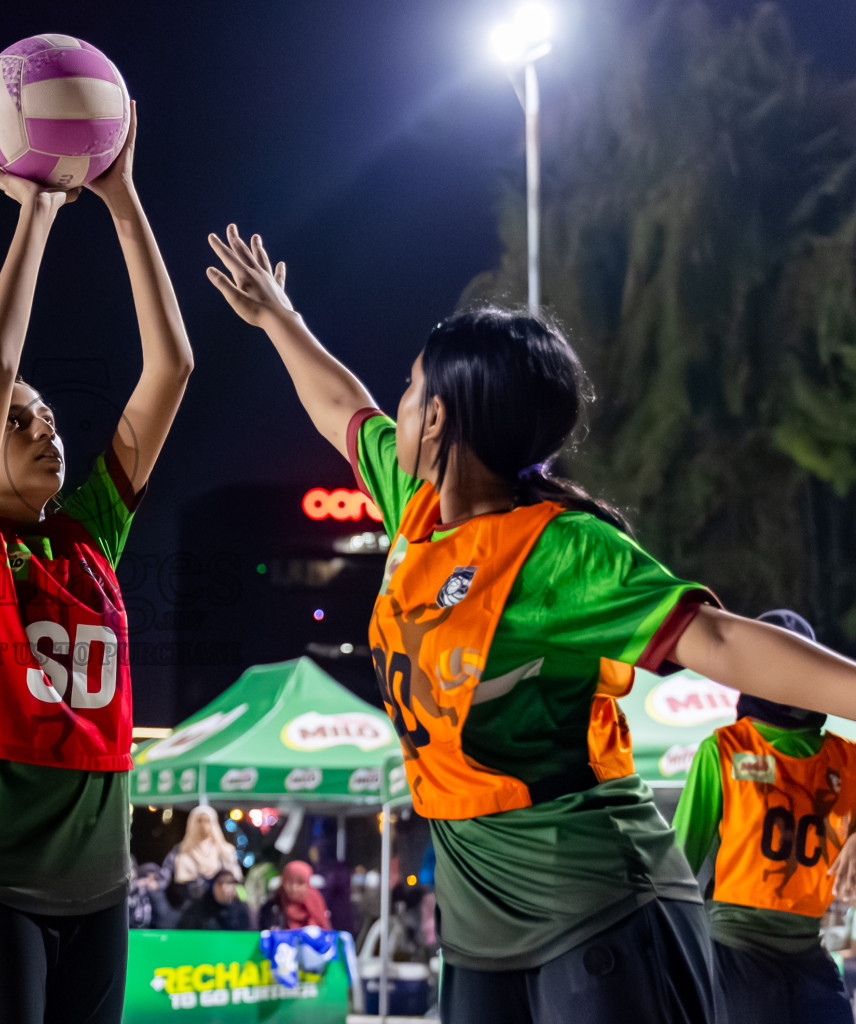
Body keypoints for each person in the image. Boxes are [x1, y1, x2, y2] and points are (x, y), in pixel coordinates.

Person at [206, 235, 856, 1022]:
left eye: (408, 386)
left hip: (595, 903)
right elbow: (341, 408)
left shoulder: (556, 549)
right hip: (480, 924)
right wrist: (279, 319)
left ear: (438, 416)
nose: (395, 403)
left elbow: (719, 640)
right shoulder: (417, 509)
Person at [0, 104, 191, 1024]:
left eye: (51, 418)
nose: (46, 430)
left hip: (99, 874)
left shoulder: (91, 534)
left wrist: (123, 199)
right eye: (20, 422)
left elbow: (173, 367)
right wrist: (36, 214)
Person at [673, 610, 856, 1024]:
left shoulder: (845, 758)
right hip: (738, 949)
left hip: (809, 948)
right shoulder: (724, 749)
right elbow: (677, 862)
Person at [160, 806, 244, 912]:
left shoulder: (225, 852)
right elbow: (164, 881)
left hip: (221, 913)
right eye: (199, 820)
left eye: (207, 821)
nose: (203, 825)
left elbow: (239, 885)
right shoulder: (179, 853)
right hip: (187, 912)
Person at [258, 861, 332, 930]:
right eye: (289, 882)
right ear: (283, 882)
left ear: (307, 884)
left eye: (300, 883)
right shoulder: (272, 907)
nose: (294, 888)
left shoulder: (316, 904)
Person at [178, 869, 253, 930]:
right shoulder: (199, 907)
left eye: (229, 883)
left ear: (235, 886)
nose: (224, 887)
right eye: (220, 883)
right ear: (213, 886)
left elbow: (247, 932)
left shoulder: (242, 908)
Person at [128, 862, 173, 930]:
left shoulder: (160, 893)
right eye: (146, 878)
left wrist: (156, 893)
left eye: (154, 879)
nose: (150, 883)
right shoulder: (133, 892)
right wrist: (136, 888)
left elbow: (164, 917)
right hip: (133, 930)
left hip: (154, 930)